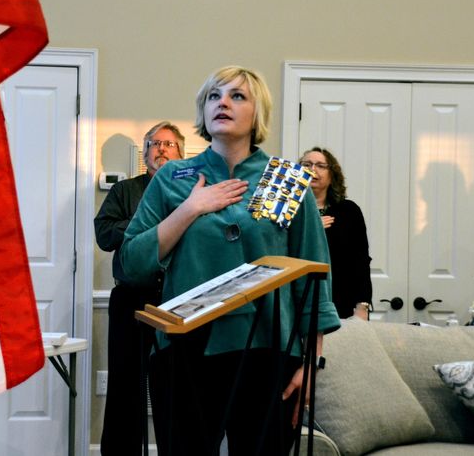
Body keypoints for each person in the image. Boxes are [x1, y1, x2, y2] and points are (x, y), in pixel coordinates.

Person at [120, 66, 341, 456]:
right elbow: (132, 264)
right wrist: (190, 209)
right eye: (214, 96)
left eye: (238, 96)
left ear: (258, 114)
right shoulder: (173, 176)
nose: (223, 102)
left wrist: (312, 365)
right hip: (186, 350)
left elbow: (314, 278)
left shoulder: (287, 178)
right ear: (203, 111)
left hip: (269, 352)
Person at [94, 121, 186, 456]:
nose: (162, 149)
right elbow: (104, 235)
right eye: (155, 143)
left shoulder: (192, 192)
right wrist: (149, 227)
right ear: (145, 153)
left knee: (174, 384)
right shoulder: (124, 192)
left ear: (182, 154)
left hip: (176, 299)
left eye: (169, 144)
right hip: (131, 298)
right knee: (125, 383)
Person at [299, 147, 373, 320]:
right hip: (298, 301)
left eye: (321, 166)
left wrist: (362, 306)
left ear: (332, 174)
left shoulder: (349, 211)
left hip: (341, 301)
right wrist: (312, 229)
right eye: (307, 164)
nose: (312, 170)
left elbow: (360, 260)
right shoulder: (288, 211)